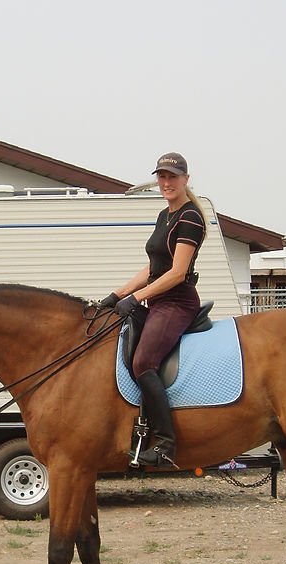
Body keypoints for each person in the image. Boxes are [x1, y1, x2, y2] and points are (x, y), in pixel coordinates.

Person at [99, 152, 206, 467]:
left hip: (177, 302)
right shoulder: (165, 215)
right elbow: (154, 267)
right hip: (158, 300)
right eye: (162, 177)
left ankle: (166, 445)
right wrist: (117, 294)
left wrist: (136, 298)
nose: (167, 183)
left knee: (143, 362)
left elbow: (176, 273)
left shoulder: (190, 218)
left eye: (173, 177)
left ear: (186, 179)